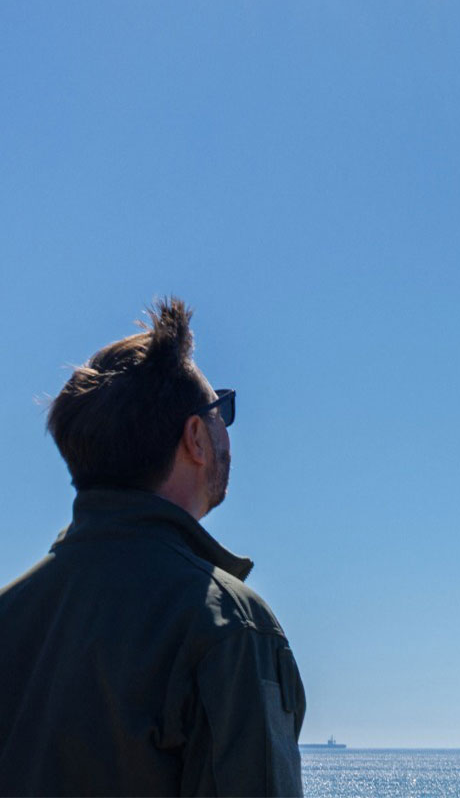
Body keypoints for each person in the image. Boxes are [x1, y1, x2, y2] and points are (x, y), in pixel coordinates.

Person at [0, 298, 306, 796]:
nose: (226, 429)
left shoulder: (9, 614)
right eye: (220, 410)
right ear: (195, 439)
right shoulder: (227, 627)